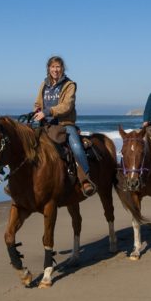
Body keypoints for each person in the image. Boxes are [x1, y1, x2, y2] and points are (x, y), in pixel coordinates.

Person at [33, 56, 96, 197]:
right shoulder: (44, 84)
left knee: (75, 145)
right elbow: (37, 103)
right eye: (53, 67)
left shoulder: (69, 85)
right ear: (48, 69)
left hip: (64, 124)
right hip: (46, 124)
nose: (55, 70)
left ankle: (85, 179)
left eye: (58, 67)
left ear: (62, 68)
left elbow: (67, 106)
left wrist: (48, 111)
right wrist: (37, 111)